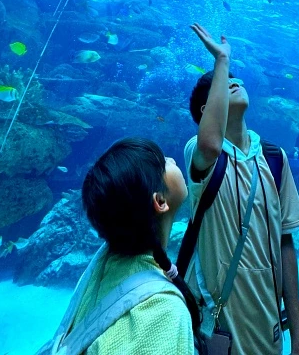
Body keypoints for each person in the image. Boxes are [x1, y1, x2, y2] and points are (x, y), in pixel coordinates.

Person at [182, 23, 299, 355]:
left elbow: (286, 245)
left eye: (236, 79)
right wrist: (221, 60)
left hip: (269, 332)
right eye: (224, 86)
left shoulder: (274, 158)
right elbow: (210, 144)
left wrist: (298, 336)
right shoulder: (199, 152)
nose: (233, 81)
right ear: (206, 112)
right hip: (221, 330)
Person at [37, 138, 199, 355]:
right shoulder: (163, 312)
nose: (170, 158)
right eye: (162, 163)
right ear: (160, 201)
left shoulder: (100, 265)